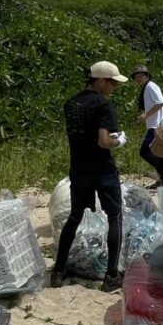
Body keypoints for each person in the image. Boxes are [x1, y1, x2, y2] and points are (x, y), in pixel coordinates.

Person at [52, 61, 129, 292]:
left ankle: (58, 271)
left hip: (79, 168)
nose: (114, 87)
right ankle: (112, 277)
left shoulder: (71, 104)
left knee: (75, 216)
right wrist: (119, 141)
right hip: (102, 169)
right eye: (113, 82)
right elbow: (104, 141)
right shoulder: (102, 105)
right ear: (101, 80)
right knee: (114, 217)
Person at [129, 65, 163, 189]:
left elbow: (160, 102)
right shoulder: (146, 88)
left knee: (145, 151)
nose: (138, 78)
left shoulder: (151, 86)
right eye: (136, 76)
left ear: (147, 76)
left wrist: (145, 115)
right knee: (161, 155)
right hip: (155, 125)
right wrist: (139, 120)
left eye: (141, 75)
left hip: (157, 126)